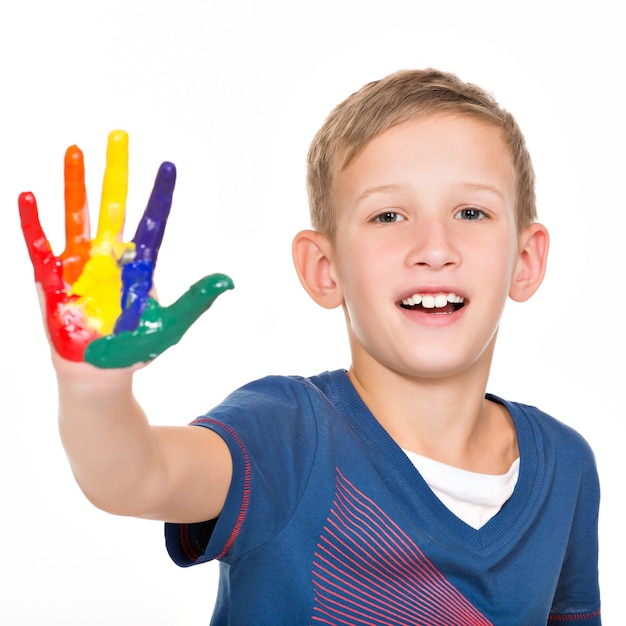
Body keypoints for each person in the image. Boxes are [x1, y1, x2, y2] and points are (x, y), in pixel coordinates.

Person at [20, 69, 601, 624]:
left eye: (470, 211)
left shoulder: (566, 467)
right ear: (325, 269)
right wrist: (93, 386)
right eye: (389, 214)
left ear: (525, 261)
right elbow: (133, 476)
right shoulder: (284, 436)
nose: (434, 246)